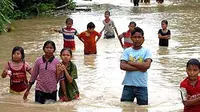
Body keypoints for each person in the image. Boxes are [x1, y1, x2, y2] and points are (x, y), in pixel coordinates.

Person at [120, 27, 152, 105]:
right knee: (125, 108)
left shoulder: (147, 51)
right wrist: (141, 67)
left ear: (143, 38)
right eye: (135, 37)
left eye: (139, 37)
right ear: (131, 38)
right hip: (128, 86)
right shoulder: (127, 51)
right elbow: (122, 66)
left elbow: (147, 65)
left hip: (142, 86)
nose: (137, 39)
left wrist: (131, 63)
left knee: (143, 108)